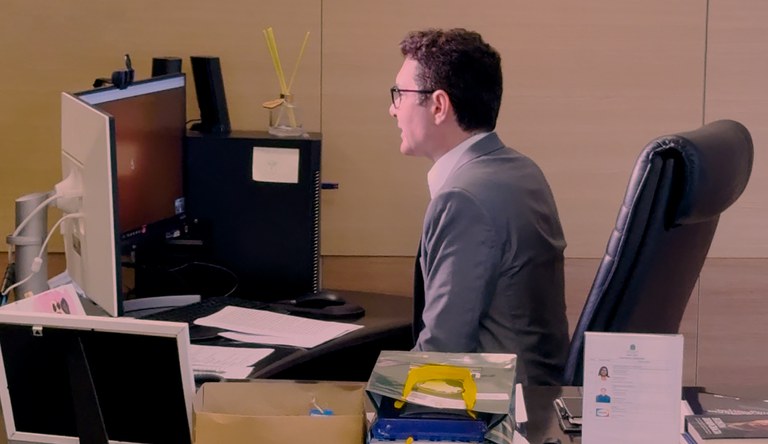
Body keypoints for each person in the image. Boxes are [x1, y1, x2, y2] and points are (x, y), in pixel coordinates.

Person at [389, 28, 568, 386]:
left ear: (438, 105)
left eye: (400, 95)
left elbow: (440, 352)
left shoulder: (463, 199)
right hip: (537, 393)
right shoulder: (521, 170)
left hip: (493, 407)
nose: (392, 110)